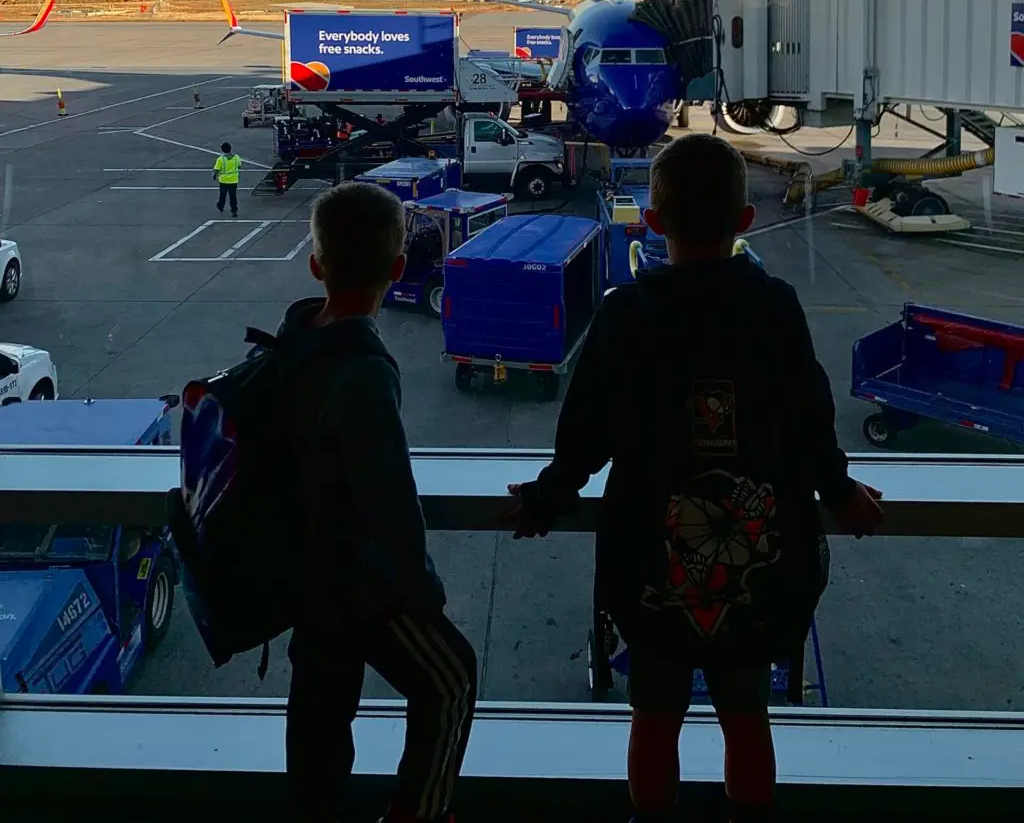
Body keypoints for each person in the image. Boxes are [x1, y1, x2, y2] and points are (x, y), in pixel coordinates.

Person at [501, 134, 884, 823]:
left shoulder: (625, 315)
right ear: (746, 221)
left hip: (651, 571)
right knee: (747, 720)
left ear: (651, 221)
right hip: (752, 575)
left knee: (653, 721)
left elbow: (584, 434)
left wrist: (547, 498)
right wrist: (841, 490)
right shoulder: (775, 309)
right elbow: (812, 421)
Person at [281, 181, 477, 823]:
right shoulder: (362, 370)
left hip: (305, 575)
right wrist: (420, 587)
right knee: (451, 679)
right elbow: (388, 496)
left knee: (319, 716)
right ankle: (419, 812)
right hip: (354, 582)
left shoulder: (295, 339)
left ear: (316, 265)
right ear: (398, 270)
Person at [213, 141, 241, 217]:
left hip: (223, 180)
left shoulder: (220, 159)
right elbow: (239, 165)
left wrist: (214, 175)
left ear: (222, 150)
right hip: (233, 180)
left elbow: (216, 169)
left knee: (222, 195)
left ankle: (220, 206)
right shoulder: (236, 157)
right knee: (233, 196)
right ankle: (234, 210)